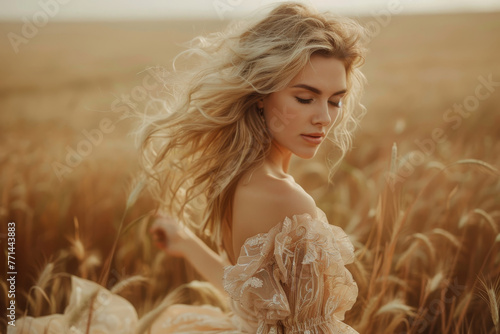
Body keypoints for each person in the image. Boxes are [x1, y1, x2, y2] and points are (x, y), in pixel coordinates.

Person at [143, 1, 367, 333]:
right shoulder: (289, 202)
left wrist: (188, 244)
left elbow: (252, 301)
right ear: (261, 93)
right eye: (305, 98)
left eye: (335, 100)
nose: (324, 118)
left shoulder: (236, 174)